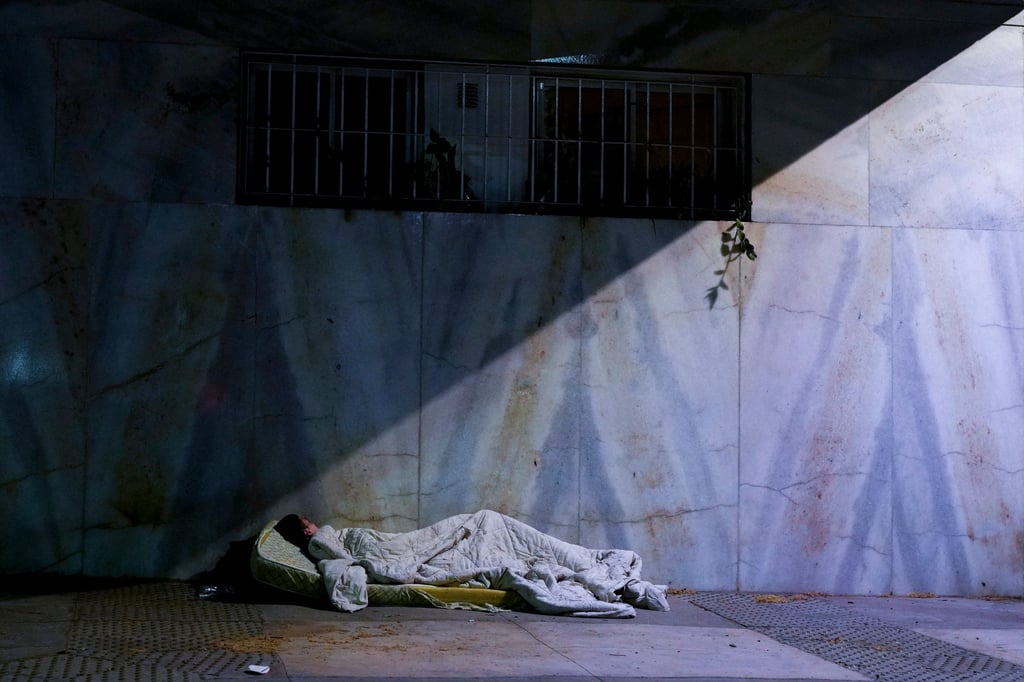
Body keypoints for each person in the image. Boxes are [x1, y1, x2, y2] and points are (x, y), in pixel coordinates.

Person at [274, 509, 669, 617]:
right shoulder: (322, 543)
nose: (314, 521)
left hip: (427, 540)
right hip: (415, 550)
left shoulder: (325, 539)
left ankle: (590, 561)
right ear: (305, 531)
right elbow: (362, 560)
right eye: (308, 521)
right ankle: (594, 563)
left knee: (491, 524)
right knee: (488, 522)